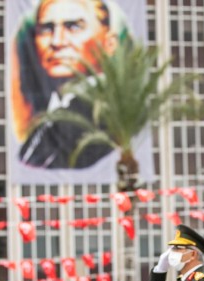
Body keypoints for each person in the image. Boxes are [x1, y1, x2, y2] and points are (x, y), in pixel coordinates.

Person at [11, 0, 131, 169]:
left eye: (74, 27)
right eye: (47, 29)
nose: (57, 41)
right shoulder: (48, 111)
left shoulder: (106, 115)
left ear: (109, 44)